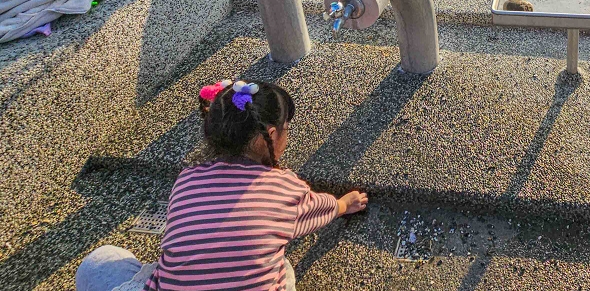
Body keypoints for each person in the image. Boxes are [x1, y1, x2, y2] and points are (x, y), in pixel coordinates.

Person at [74, 80, 369, 291]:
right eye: (286, 129)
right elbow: (321, 208)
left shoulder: (187, 179)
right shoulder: (286, 189)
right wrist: (344, 204)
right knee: (284, 267)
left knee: (98, 262)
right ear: (266, 136)